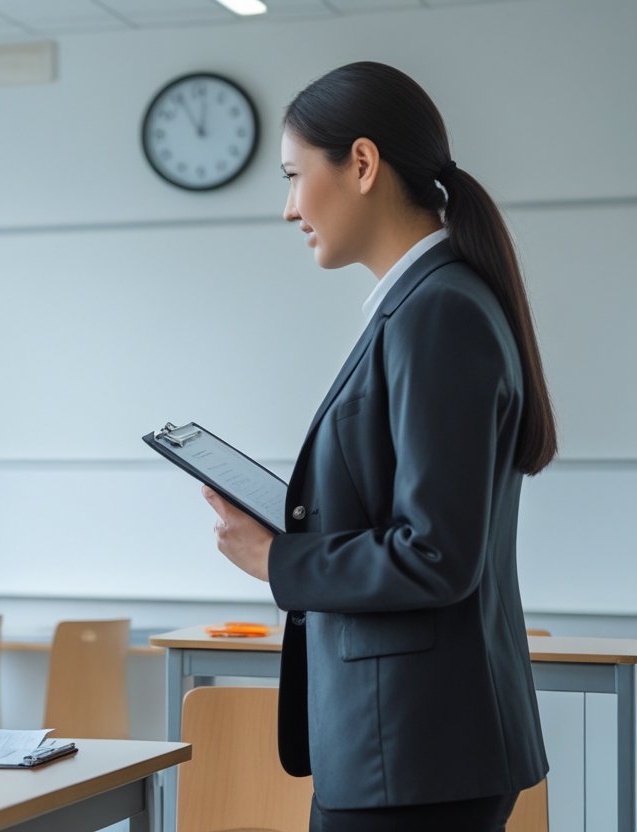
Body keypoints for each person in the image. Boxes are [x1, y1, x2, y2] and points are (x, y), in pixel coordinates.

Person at [201, 62, 554, 831]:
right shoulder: (427, 304)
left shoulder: (439, 313)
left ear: (361, 164)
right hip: (411, 750)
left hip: (415, 753)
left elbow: (435, 553)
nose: (290, 208)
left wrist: (277, 560)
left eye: (296, 176)